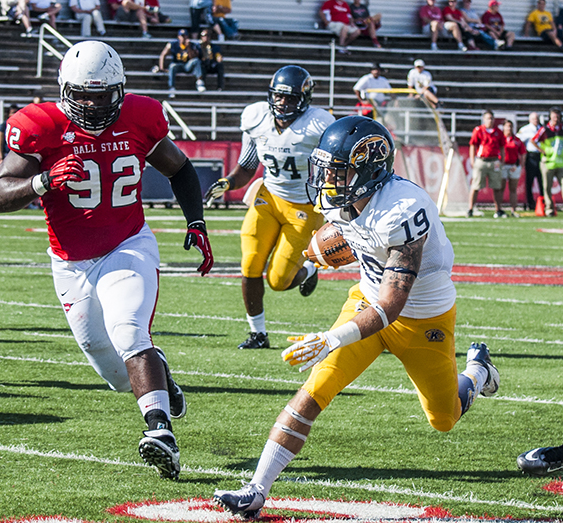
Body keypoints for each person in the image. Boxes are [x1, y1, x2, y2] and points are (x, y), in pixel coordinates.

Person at [212, 116, 500, 518]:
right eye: (325, 167)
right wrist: (317, 256)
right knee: (313, 392)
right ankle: (256, 488)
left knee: (444, 417)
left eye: (336, 169)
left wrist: (332, 339)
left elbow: (391, 306)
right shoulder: (342, 199)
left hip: (420, 318)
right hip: (365, 302)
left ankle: (478, 373)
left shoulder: (404, 209)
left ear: (368, 168)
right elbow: (350, 244)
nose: (326, 177)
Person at [0, 41, 214, 480]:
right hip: (71, 260)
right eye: (83, 94)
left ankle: (160, 432)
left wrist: (196, 223)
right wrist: (43, 180)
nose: (92, 105)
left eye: (102, 94)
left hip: (128, 243)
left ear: (121, 89)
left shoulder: (140, 117)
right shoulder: (40, 125)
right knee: (114, 371)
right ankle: (160, 378)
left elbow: (181, 169)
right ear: (65, 90)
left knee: (129, 328)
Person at [203, 66, 335, 350]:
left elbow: (332, 168)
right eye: (278, 97)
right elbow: (248, 165)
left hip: (304, 206)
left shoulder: (319, 124)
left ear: (304, 99)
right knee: (250, 264)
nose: (282, 104)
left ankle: (309, 270)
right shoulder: (257, 117)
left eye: (289, 99)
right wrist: (228, 182)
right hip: (268, 197)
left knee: (278, 280)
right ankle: (258, 334)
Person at [467, 110, 506, 218]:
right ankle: (470, 208)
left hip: (494, 161)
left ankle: (498, 209)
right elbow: (473, 145)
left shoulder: (498, 131)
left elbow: (502, 146)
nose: (490, 120)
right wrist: (472, 160)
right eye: (488, 118)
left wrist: (502, 159)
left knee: (497, 186)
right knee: (475, 186)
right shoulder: (479, 130)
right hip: (482, 160)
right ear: (484, 119)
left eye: (492, 118)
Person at [531, 106, 563, 217]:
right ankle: (549, 208)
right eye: (554, 116)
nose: (556, 118)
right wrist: (542, 150)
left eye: (557, 116)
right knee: (547, 187)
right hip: (548, 163)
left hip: (560, 163)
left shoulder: (562, 128)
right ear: (550, 117)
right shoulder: (545, 129)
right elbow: (533, 140)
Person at [157, 28, 205, 98]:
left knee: (196, 61)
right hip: (178, 65)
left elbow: (193, 57)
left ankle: (199, 82)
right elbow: (163, 55)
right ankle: (172, 88)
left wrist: (188, 48)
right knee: (172, 66)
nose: (183, 38)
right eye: (182, 36)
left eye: (185, 36)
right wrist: (162, 68)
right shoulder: (173, 44)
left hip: (188, 65)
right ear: (178, 37)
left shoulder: (192, 45)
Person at [516, 112, 544, 211]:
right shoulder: (525, 130)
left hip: (541, 157)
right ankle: (530, 203)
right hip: (531, 156)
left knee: (542, 181)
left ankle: (543, 203)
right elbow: (518, 141)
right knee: (530, 181)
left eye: (537, 118)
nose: (535, 120)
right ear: (530, 120)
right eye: (533, 119)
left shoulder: (542, 129)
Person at [500, 120, 526, 218]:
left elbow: (523, 153)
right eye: (507, 126)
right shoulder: (500, 139)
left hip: (514, 166)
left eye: (511, 126)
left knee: (513, 189)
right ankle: (499, 209)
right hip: (503, 165)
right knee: (500, 188)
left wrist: (521, 165)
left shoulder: (517, 140)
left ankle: (513, 209)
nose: (509, 128)